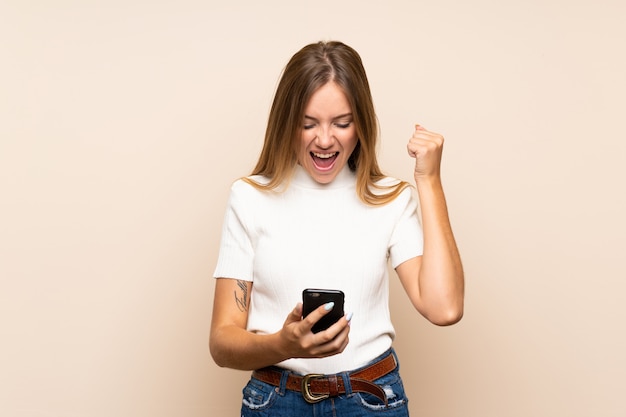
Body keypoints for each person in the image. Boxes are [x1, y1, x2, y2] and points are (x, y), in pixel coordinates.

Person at [210, 40, 464, 417]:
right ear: (286, 123)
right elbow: (222, 342)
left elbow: (444, 308)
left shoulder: (390, 199)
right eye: (308, 124)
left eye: (342, 123)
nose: (325, 140)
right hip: (275, 403)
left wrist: (428, 180)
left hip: (370, 400)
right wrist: (284, 344)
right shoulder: (249, 198)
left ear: (360, 124)